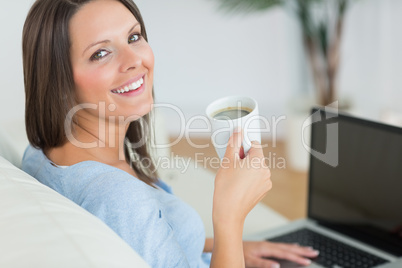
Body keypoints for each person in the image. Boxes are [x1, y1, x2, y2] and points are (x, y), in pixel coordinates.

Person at [21, 0, 319, 267]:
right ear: (57, 77)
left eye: (133, 37)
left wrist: (227, 248)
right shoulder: (119, 197)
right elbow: (128, 217)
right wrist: (230, 220)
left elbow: (139, 239)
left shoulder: (41, 153)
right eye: (100, 53)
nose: (134, 60)